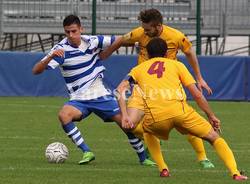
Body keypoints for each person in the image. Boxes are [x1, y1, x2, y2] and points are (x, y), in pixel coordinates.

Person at [116, 37, 248, 181]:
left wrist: (125, 115)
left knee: (148, 132)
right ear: (167, 53)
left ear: (146, 54)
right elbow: (197, 95)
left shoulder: (138, 69)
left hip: (156, 117)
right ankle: (235, 173)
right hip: (180, 112)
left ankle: (163, 169)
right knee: (214, 138)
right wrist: (211, 116)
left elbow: (119, 89)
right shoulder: (177, 65)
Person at [32, 14, 155, 166]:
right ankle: (86, 151)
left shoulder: (93, 41)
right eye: (67, 32)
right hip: (78, 99)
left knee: (126, 124)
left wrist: (135, 44)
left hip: (100, 95)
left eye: (74, 31)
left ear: (81, 29)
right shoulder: (60, 50)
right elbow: (36, 70)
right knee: (64, 115)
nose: (71, 35)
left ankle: (144, 157)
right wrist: (50, 58)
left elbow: (120, 40)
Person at [100, 8, 214, 168]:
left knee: (185, 123)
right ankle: (152, 137)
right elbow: (121, 40)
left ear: (158, 26)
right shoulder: (140, 33)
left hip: (169, 86)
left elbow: (190, 53)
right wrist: (107, 53)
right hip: (143, 86)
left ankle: (202, 157)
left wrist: (199, 78)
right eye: (143, 29)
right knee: (130, 124)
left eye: (147, 29)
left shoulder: (176, 36)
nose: (144, 32)